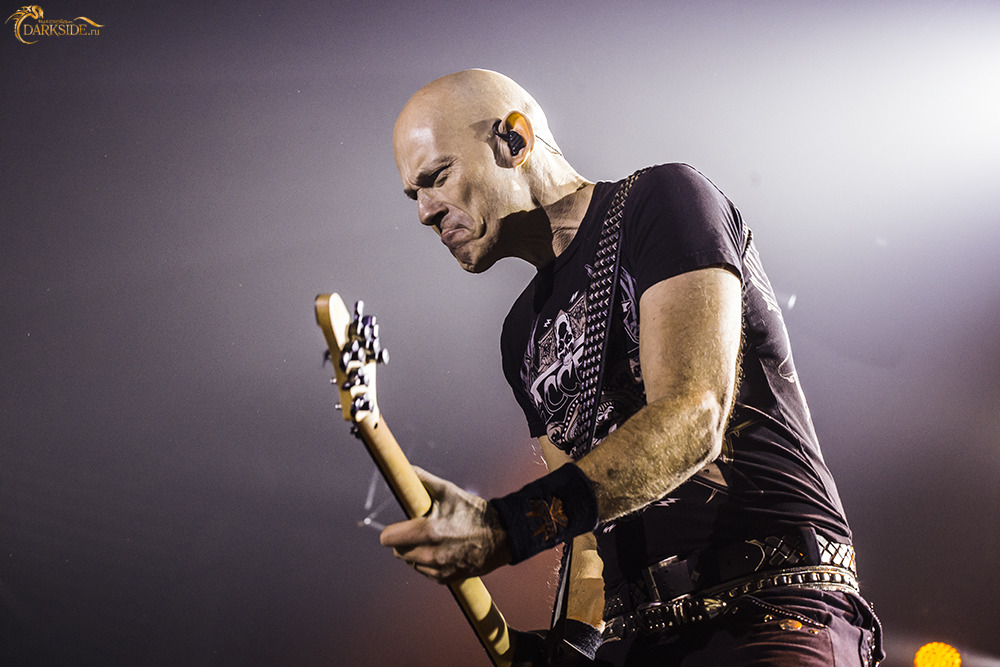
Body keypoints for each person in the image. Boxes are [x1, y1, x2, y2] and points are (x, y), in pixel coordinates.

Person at [380, 69, 883, 666]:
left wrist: (506, 528)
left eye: (437, 177)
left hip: (771, 610)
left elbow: (693, 416)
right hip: (637, 642)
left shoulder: (663, 200)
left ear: (514, 139)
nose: (425, 213)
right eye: (414, 196)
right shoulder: (520, 334)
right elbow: (588, 529)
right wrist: (571, 646)